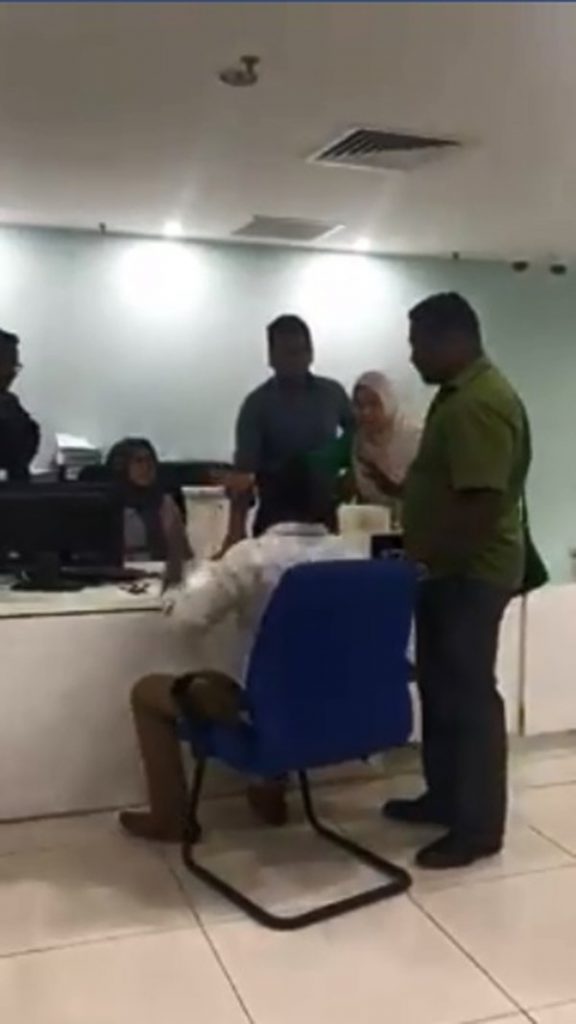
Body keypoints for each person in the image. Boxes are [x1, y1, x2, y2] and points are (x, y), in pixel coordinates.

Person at [120, 460, 356, 841]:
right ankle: (268, 788)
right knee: (294, 669)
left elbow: (186, 620)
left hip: (265, 710)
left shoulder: (252, 557)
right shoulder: (352, 555)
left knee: (148, 692)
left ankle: (170, 818)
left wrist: (181, 571)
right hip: (342, 710)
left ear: (264, 501)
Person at [383, 293, 529, 870]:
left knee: (468, 698)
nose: (412, 355)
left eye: (418, 343)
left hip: (469, 573)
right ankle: (445, 797)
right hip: (450, 570)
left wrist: (427, 558)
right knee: (442, 691)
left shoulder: (477, 403)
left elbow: (481, 502)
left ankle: (478, 827)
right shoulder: (458, 395)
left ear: (453, 339)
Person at [220, 314, 353, 550]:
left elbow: (361, 437)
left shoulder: (332, 394)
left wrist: (351, 478)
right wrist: (234, 534)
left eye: (301, 351)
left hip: (325, 517)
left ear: (311, 353)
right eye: (287, 353)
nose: (295, 360)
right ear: (271, 357)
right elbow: (243, 478)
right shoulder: (257, 405)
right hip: (275, 520)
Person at [312, 371, 420, 517]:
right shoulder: (360, 442)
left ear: (388, 402)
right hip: (374, 524)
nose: (365, 412)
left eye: (374, 404)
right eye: (359, 405)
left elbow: (429, 493)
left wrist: (390, 487)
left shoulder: (414, 439)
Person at [106, 438, 191, 582]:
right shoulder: (107, 503)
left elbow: (183, 554)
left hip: (158, 577)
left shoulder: (165, 503)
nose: (146, 468)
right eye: (139, 461)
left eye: (150, 461)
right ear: (122, 467)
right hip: (115, 578)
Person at [0, 329, 40, 481]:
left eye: (16, 366)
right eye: (9, 364)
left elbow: (20, 459)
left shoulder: (10, 404)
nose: (13, 373)